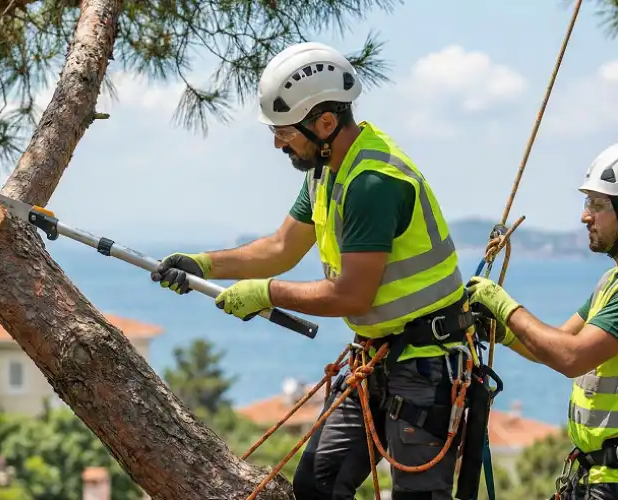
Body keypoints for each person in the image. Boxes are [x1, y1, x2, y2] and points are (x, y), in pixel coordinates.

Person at [150, 41, 478, 500]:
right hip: (379, 356)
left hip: (426, 365)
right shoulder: (325, 170)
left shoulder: (371, 182)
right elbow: (282, 247)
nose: (277, 142)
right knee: (316, 486)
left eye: (284, 131)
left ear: (325, 123)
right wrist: (205, 263)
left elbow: (351, 296)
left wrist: (267, 293)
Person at [466, 141, 618, 500]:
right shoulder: (616, 281)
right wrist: (502, 333)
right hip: (606, 477)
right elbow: (553, 345)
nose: (586, 216)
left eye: (597, 205)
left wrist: (503, 304)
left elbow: (572, 357)